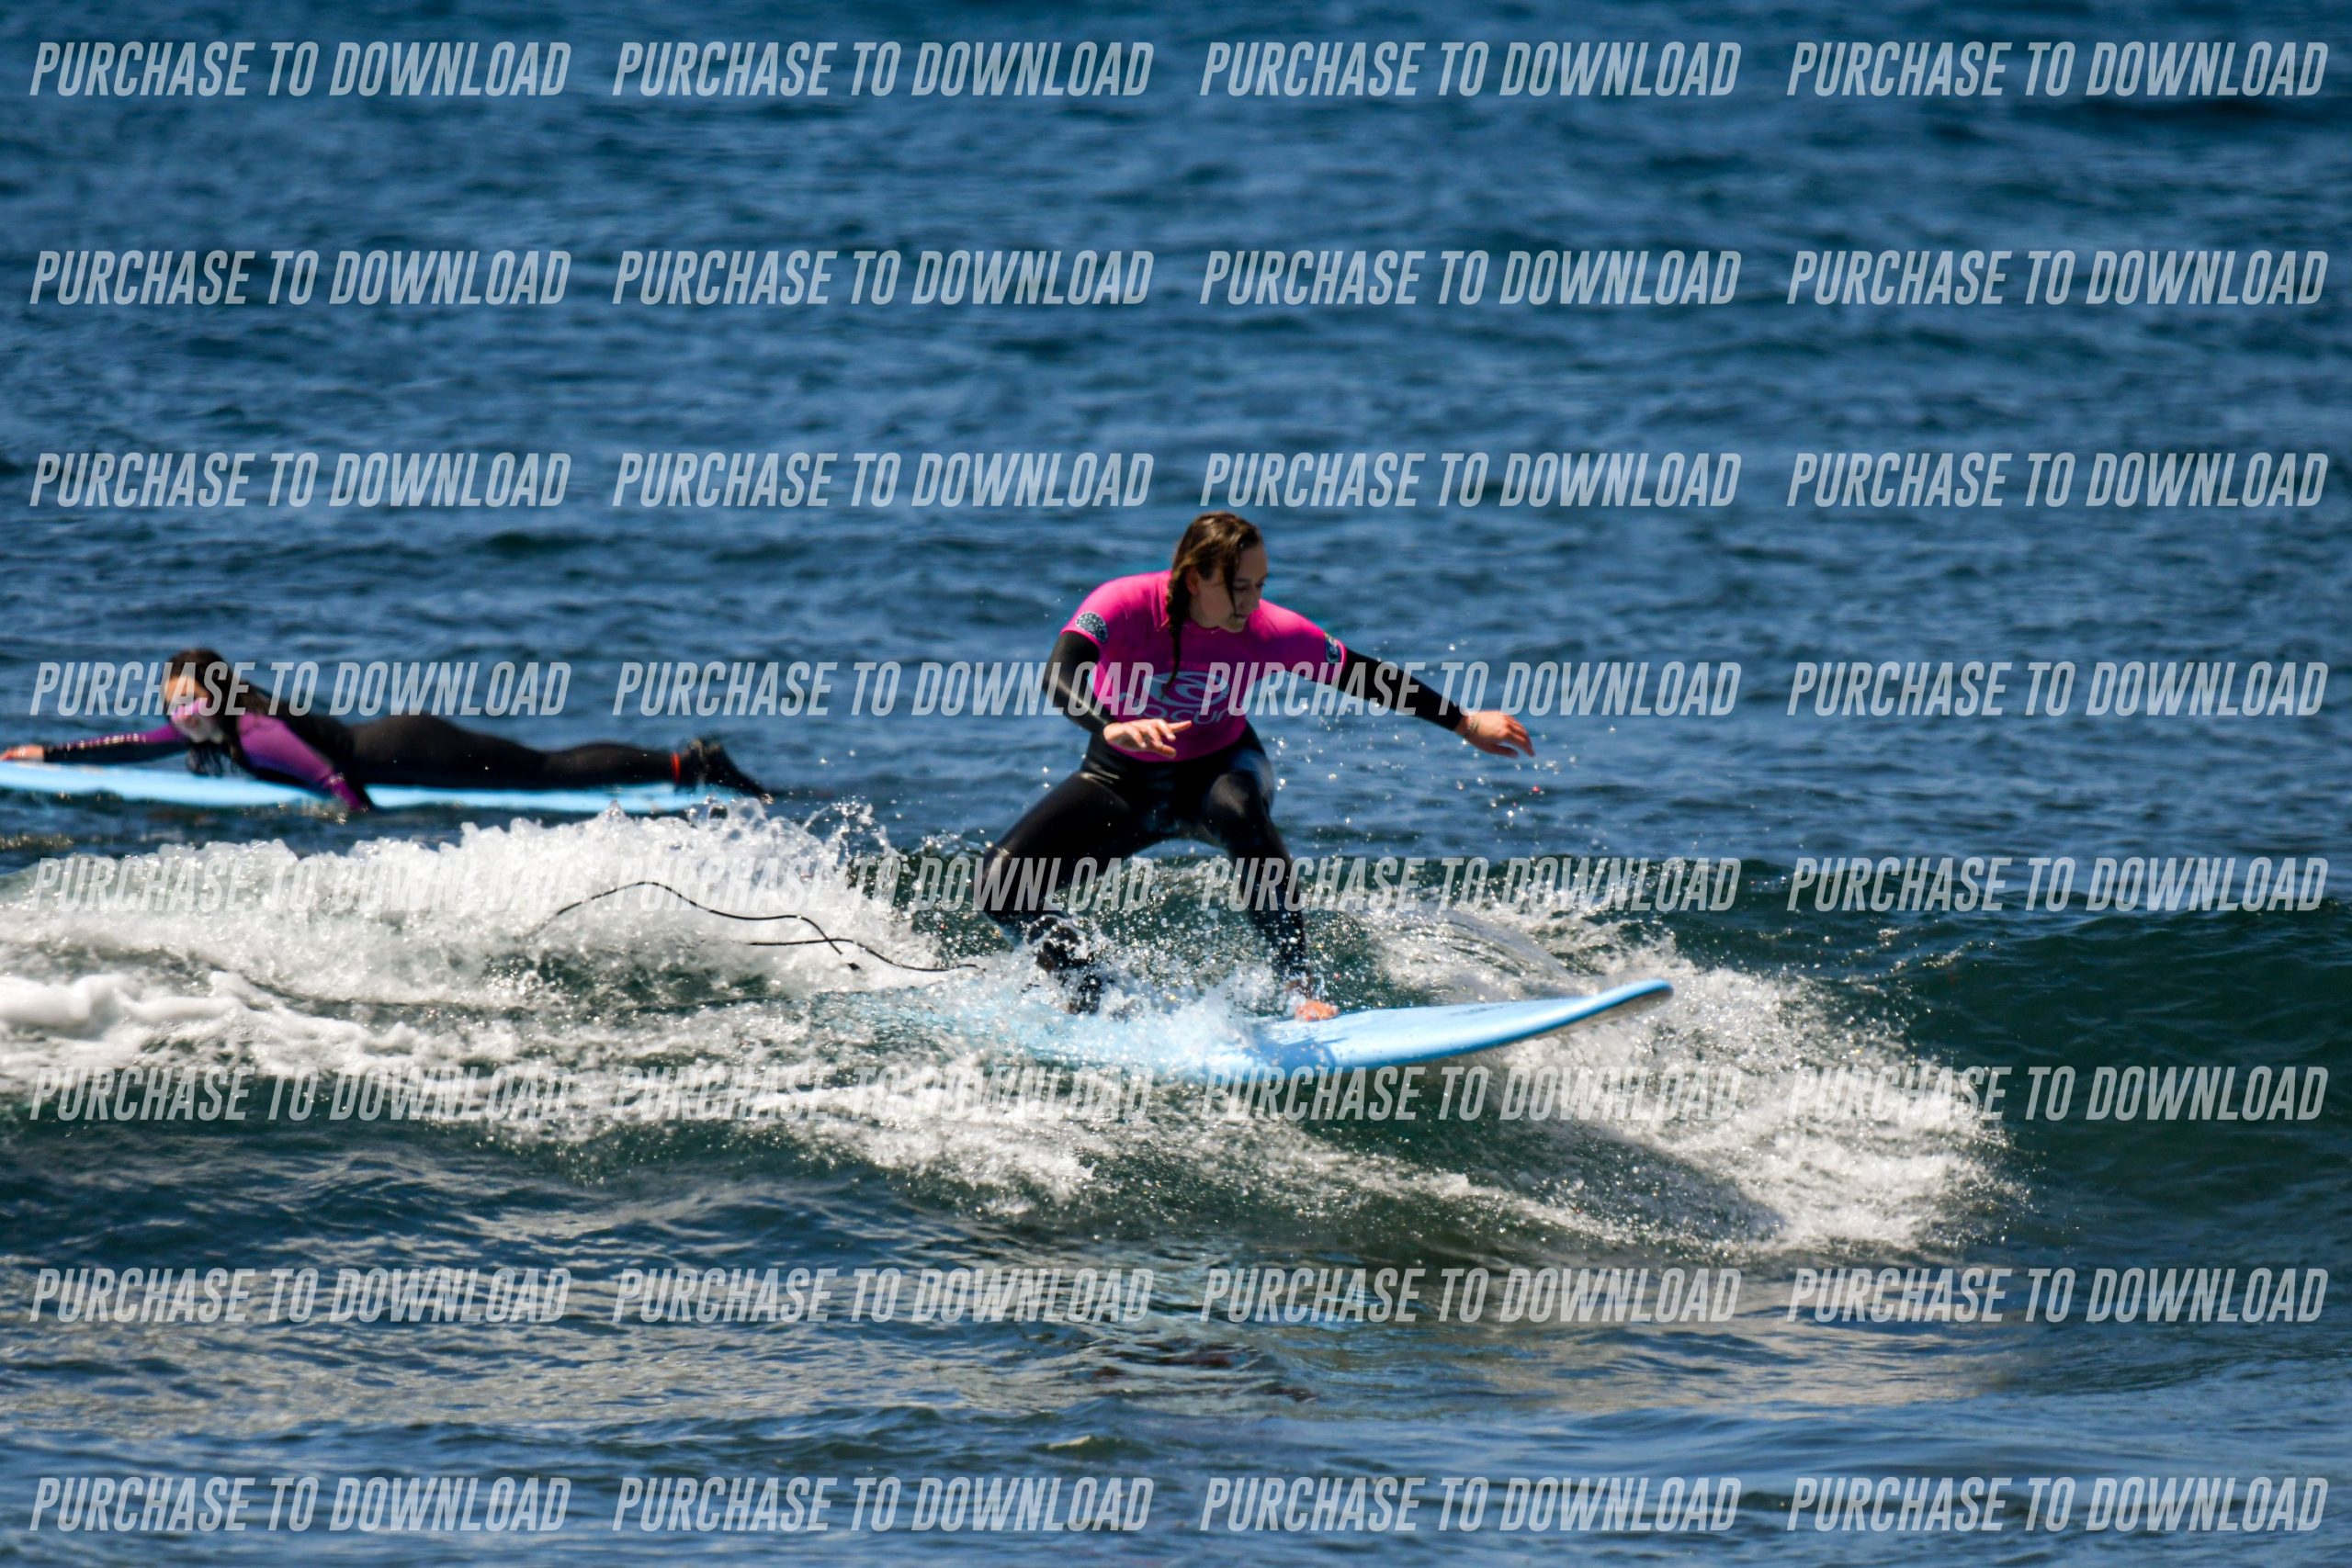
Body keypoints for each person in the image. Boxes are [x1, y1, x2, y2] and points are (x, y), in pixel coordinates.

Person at [980, 513, 1532, 1019]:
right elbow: (1061, 671)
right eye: (1238, 587)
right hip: (1118, 776)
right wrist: (1108, 725)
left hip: (1219, 767)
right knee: (999, 886)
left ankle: (1300, 989)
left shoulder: (1271, 630)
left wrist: (1464, 723)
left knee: (1239, 810)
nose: (1252, 602)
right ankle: (1089, 986)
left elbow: (1362, 674)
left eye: (1260, 585)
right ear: (1195, 579)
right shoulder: (1124, 603)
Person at [3, 649, 767, 811]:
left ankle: (689, 764)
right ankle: (683, 764)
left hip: (409, 750)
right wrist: (47, 753)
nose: (181, 717)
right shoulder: (205, 729)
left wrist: (360, 828)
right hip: (393, 745)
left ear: (218, 697)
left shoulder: (254, 731)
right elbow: (134, 745)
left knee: (544, 771)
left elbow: (335, 780)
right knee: (542, 766)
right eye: (174, 706)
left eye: (191, 703)